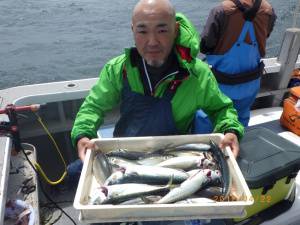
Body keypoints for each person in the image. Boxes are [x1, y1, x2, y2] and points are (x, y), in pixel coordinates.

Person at [70, 0, 244, 224]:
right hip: (124, 156)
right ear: (133, 31)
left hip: (176, 156)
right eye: (142, 31)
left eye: (162, 30)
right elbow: (93, 106)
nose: (152, 41)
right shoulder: (119, 69)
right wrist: (84, 134)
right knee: (78, 176)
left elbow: (222, 109)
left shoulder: (197, 75)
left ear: (175, 30)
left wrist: (229, 130)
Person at [194, 0, 276, 133]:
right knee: (241, 119)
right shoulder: (268, 10)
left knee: (208, 120)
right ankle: (235, 147)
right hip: (251, 84)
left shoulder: (222, 10)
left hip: (221, 87)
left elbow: (205, 45)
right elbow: (267, 34)